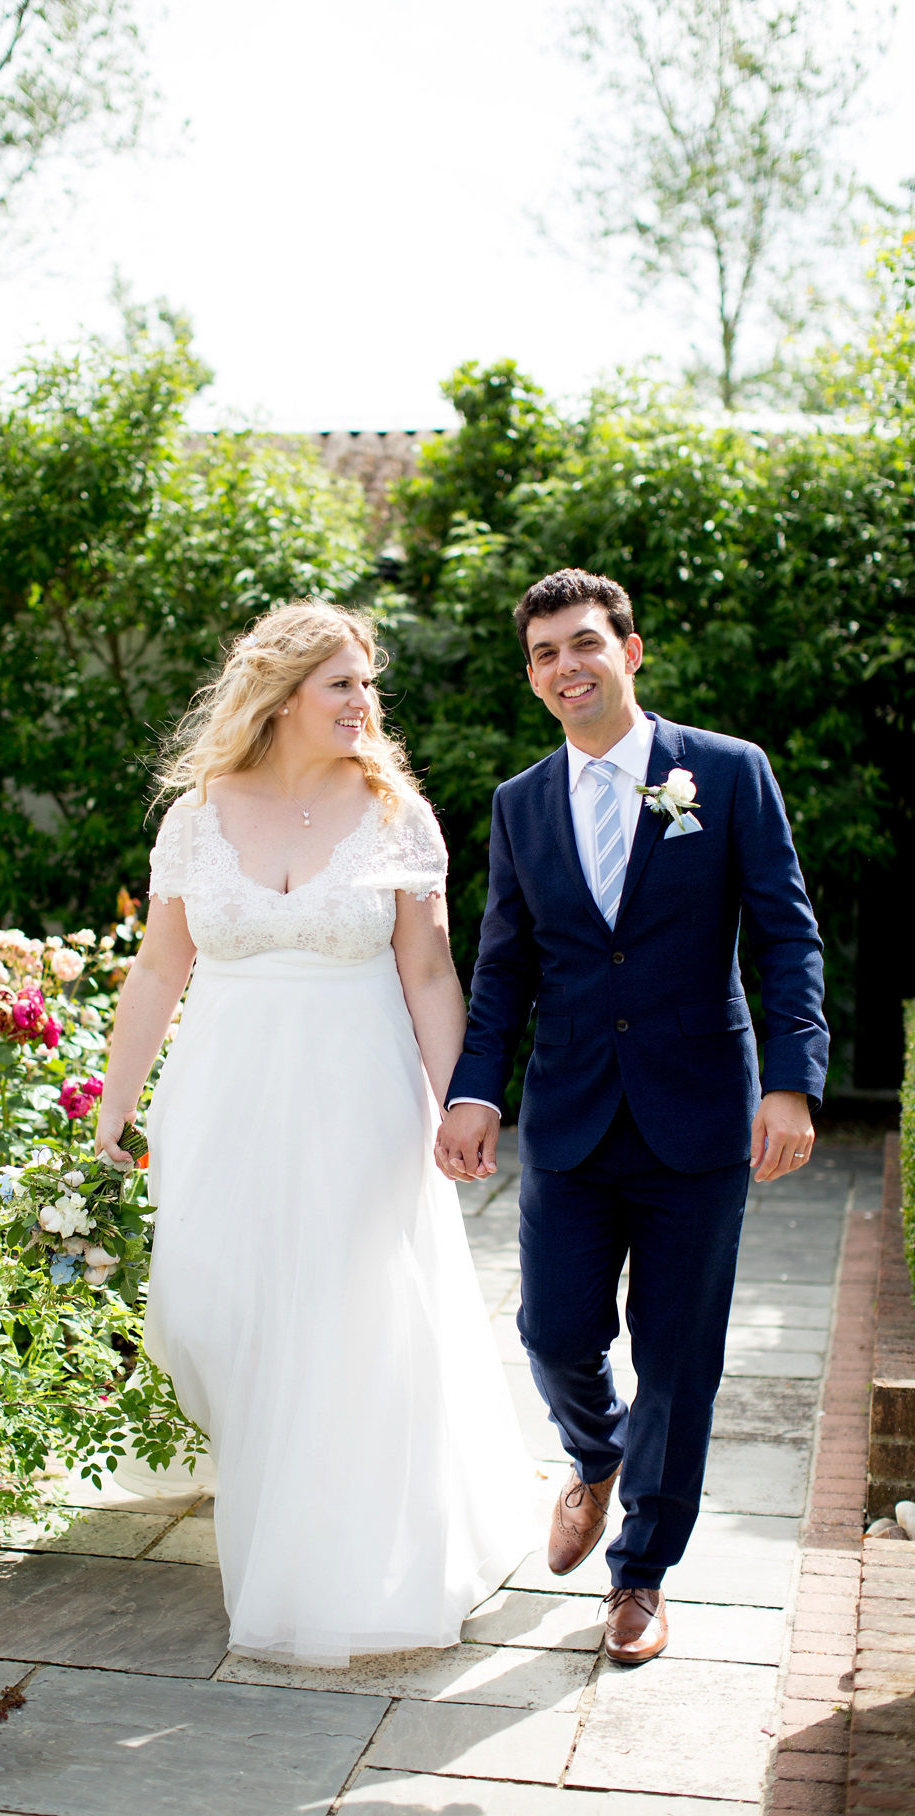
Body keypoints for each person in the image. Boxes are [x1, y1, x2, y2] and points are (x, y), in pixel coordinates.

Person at [95, 600, 538, 1668]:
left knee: (347, 1319)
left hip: (363, 1094)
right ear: (285, 693)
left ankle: (330, 1562)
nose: (364, 703)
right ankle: (283, 1489)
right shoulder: (197, 815)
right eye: (344, 683)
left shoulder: (397, 813)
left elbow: (429, 972)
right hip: (224, 1098)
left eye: (368, 685)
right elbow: (161, 968)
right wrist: (116, 1101)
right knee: (218, 1304)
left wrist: (463, 1105)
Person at [436, 568, 828, 1667]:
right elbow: (504, 967)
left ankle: (641, 1574)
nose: (568, 666)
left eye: (585, 644)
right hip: (568, 1112)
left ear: (631, 651)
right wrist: (475, 1089)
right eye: (547, 653)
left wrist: (792, 1080)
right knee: (552, 1330)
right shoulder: (521, 804)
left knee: (681, 1355)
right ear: (532, 676)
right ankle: (596, 1455)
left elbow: (787, 936)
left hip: (701, 1113)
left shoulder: (728, 774)